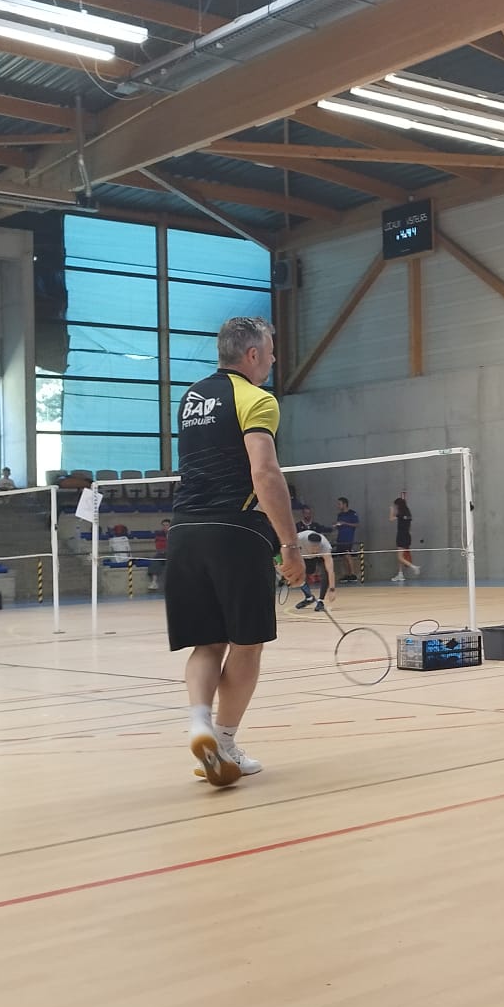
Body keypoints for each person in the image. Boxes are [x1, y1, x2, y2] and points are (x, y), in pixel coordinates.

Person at [166, 316, 304, 788]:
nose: (273, 359)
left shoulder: (192, 398)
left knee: (208, 642)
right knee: (247, 643)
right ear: (252, 354)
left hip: (184, 531)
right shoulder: (257, 399)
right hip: (235, 533)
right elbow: (264, 472)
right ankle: (224, 742)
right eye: (270, 351)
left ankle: (199, 724)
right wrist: (289, 544)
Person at [294, 509, 334, 612]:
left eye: (317, 547)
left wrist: (332, 589)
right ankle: (309, 597)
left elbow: (330, 570)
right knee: (298, 574)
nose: (316, 549)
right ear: (307, 543)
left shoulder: (325, 546)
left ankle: (320, 601)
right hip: (305, 557)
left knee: (325, 573)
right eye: (313, 547)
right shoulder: (299, 539)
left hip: (319, 557)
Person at [390, 494, 419, 583]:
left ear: (398, 505)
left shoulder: (400, 514)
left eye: (395, 505)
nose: (395, 507)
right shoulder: (408, 513)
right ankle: (400, 574)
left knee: (400, 557)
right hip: (407, 536)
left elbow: (391, 519)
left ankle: (414, 567)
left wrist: (391, 510)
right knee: (401, 555)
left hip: (401, 536)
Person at [333, 496, 360, 583]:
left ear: (345, 504)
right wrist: (336, 525)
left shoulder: (352, 513)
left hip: (348, 538)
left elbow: (356, 524)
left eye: (339, 504)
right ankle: (347, 574)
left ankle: (353, 574)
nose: (338, 506)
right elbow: (339, 525)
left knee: (348, 555)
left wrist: (345, 523)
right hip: (340, 538)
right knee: (343, 556)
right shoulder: (340, 515)